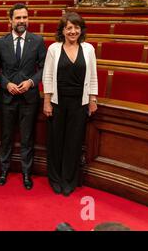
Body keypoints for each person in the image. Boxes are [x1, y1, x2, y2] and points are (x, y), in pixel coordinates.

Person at [42, 12, 98, 196]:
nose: (73, 31)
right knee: (56, 142)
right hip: (58, 102)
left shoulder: (88, 49)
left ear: (81, 30)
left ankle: (69, 180)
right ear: (63, 30)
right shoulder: (54, 49)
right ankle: (56, 178)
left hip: (79, 103)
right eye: (69, 28)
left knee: (73, 143)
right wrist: (47, 102)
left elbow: (93, 76)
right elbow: (47, 76)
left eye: (76, 27)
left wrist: (92, 99)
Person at [0, 3, 46, 190]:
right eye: (18, 18)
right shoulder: (1, 43)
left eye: (25, 17)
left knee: (27, 138)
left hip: (29, 99)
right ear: (10, 21)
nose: (22, 21)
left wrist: (31, 82)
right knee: (6, 136)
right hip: (7, 98)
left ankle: (26, 173)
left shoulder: (38, 41)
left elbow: (43, 68)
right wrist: (6, 83)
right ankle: (3, 170)